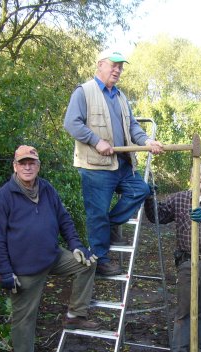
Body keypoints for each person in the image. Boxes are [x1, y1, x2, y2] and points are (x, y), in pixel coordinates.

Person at [0, 145, 99, 352]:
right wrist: (5, 270)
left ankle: (75, 314)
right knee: (24, 319)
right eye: (22, 163)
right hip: (24, 268)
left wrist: (76, 245)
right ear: (15, 166)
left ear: (38, 165)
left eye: (32, 163)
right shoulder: (4, 196)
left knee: (87, 263)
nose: (27, 167)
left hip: (52, 255)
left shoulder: (46, 188)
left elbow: (63, 218)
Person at [64, 48, 164, 276]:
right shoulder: (84, 92)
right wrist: (96, 141)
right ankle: (101, 260)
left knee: (141, 190)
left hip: (122, 163)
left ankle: (106, 227)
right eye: (114, 65)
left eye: (121, 66)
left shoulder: (120, 97)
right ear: (100, 65)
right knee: (96, 213)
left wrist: (147, 141)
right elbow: (71, 123)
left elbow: (132, 128)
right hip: (96, 166)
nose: (118, 70)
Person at [144, 162, 201, 352]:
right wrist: (148, 198)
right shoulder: (179, 198)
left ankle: (198, 348)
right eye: (194, 174)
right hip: (186, 261)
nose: (198, 177)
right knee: (184, 308)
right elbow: (158, 216)